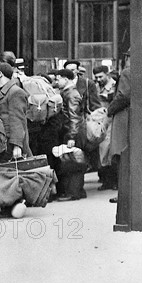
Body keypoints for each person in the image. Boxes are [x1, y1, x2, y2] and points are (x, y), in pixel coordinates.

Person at [55, 69, 86, 201]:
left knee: (73, 162)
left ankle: (73, 192)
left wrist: (72, 136)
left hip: (72, 132)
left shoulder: (71, 94)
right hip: (71, 131)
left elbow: (74, 117)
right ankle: (77, 191)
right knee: (73, 161)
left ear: (66, 79)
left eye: (58, 79)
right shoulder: (69, 92)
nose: (57, 81)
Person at [0, 62, 32, 162]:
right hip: (2, 139)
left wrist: (17, 146)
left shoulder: (15, 92)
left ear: (0, 74)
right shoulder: (0, 91)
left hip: (9, 141)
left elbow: (17, 120)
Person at [107, 50, 131, 206]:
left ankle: (124, 193)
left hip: (125, 118)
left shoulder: (128, 72)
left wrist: (109, 110)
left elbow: (123, 95)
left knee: (122, 156)